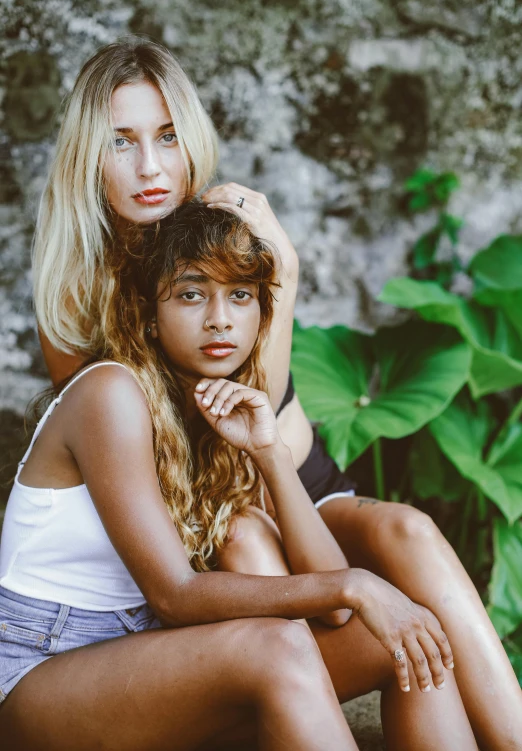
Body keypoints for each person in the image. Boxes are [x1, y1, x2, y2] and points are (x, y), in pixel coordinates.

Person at [33, 38, 521, 750]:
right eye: (122, 143)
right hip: (205, 507)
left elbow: (272, 433)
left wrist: (283, 276)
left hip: (290, 482)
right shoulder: (77, 296)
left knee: (406, 531)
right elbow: (172, 480)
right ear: (87, 156)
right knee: (248, 537)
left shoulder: (226, 228)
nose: (151, 167)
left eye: (167, 137)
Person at [0, 205, 479, 751]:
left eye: (240, 295)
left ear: (261, 313)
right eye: (191, 294)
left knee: (404, 637)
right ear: (149, 314)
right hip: (42, 669)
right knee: (280, 646)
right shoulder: (110, 394)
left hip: (148, 661)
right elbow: (176, 594)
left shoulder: (216, 412)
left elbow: (338, 612)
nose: (219, 319)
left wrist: (271, 454)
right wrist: (358, 582)